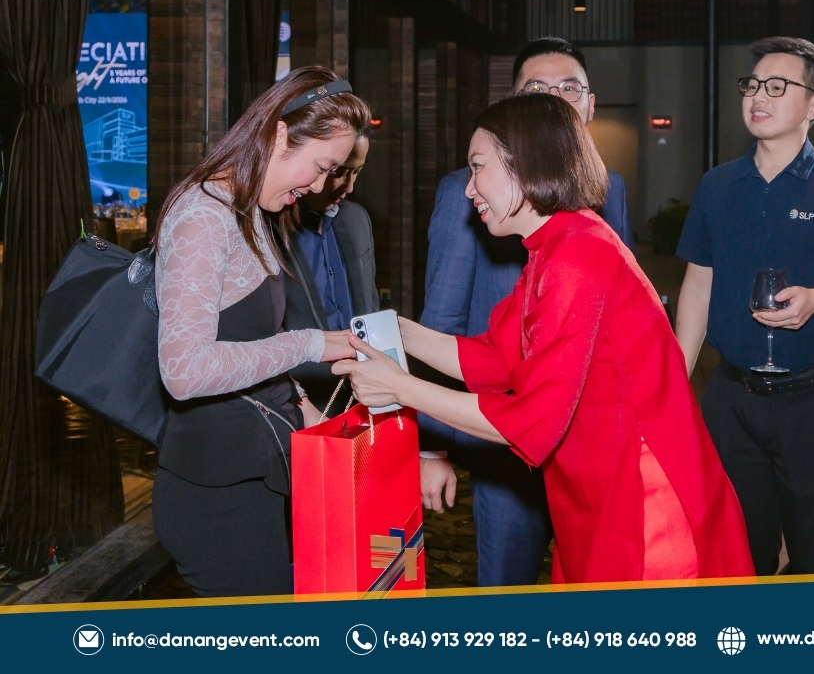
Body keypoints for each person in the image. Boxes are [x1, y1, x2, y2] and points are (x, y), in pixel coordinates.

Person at [335, 94, 754, 584]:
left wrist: (400, 387)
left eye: (478, 167)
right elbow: (493, 358)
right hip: (598, 483)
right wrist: (397, 332)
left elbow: (531, 421)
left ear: (526, 163)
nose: (469, 189)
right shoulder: (557, 245)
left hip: (641, 494)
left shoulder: (577, 255)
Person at [417, 37, 634, 587]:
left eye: (569, 89)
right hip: (505, 442)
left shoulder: (587, 227)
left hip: (593, 444)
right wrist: (431, 445)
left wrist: (399, 385)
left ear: (590, 105)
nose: (554, 101)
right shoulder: (488, 207)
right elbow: (466, 330)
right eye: (537, 89)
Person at [674, 37, 814, 576]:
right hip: (731, 398)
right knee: (733, 554)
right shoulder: (716, 187)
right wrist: (676, 378)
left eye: (777, 87)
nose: (757, 97)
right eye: (752, 85)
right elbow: (698, 285)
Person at [152, 66, 368, 596]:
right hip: (214, 489)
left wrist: (303, 407)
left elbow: (247, 344)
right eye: (322, 167)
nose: (318, 186)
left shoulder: (250, 211)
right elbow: (183, 372)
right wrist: (308, 345)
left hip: (254, 468)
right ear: (278, 134)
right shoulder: (203, 217)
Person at [283, 131, 379, 414]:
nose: (349, 186)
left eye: (357, 172)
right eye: (340, 172)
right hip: (296, 405)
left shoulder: (357, 219)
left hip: (360, 398)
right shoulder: (270, 228)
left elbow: (370, 307)